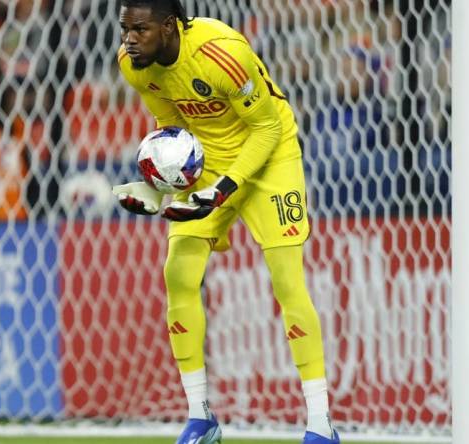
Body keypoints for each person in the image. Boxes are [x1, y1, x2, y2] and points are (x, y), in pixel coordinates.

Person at [111, 1, 340, 443]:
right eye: (125, 28)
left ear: (170, 26)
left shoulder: (222, 53)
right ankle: (201, 418)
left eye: (140, 29)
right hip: (209, 161)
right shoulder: (133, 65)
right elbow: (172, 128)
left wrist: (223, 190)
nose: (129, 39)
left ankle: (320, 424)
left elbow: (267, 129)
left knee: (288, 282)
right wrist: (160, 188)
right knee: (178, 273)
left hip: (270, 156)